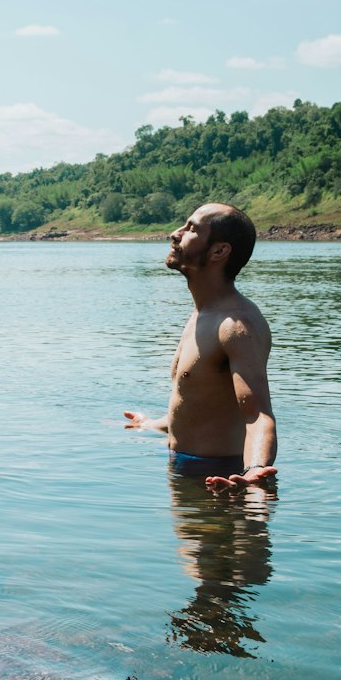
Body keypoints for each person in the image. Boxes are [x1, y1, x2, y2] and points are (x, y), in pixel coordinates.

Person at [124, 203, 277, 492]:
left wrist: (255, 472)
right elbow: (198, 408)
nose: (175, 234)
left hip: (220, 479)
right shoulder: (202, 315)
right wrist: (148, 425)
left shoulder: (236, 326)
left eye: (191, 229)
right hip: (186, 470)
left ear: (219, 251)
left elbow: (258, 415)